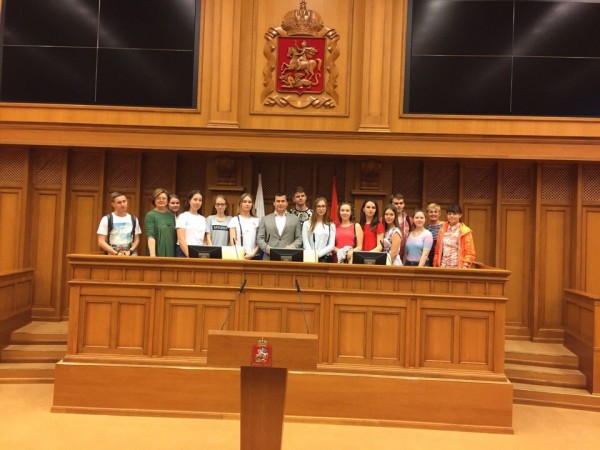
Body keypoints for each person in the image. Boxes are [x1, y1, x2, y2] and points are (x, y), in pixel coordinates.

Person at [256, 192, 302, 260]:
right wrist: (268, 249)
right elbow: (260, 238)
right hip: (269, 258)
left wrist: (292, 247)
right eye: (278, 201)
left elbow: (299, 238)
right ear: (274, 203)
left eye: (283, 201)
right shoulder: (265, 219)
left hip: (289, 258)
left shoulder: (295, 219)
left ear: (287, 203)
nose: (280, 203)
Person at [97, 191, 141, 256]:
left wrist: (130, 251)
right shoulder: (106, 219)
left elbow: (137, 239)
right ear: (113, 204)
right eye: (119, 202)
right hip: (113, 256)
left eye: (124, 201)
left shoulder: (134, 219)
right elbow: (100, 241)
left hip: (130, 256)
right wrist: (116, 253)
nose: (122, 204)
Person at [433, 204, 476, 269]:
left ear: (460, 215)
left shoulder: (465, 231)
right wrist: (435, 264)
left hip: (458, 267)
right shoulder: (442, 230)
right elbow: (437, 250)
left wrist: (465, 266)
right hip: (443, 266)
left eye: (454, 214)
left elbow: (469, 252)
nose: (451, 216)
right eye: (449, 214)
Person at [302, 197, 336, 263]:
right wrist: (312, 255)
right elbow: (305, 242)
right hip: (309, 257)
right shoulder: (306, 224)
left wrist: (317, 255)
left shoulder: (331, 225)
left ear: (326, 208)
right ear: (315, 208)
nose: (321, 209)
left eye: (323, 206)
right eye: (318, 206)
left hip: (325, 258)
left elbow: (331, 245)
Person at [228, 193, 261, 260]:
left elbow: (260, 241)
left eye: (249, 202)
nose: (247, 204)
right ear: (240, 204)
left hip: (254, 256)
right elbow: (232, 241)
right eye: (244, 201)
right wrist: (239, 254)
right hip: (238, 256)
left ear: (252, 204)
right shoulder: (234, 220)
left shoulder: (257, 220)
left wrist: (252, 254)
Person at [145, 188, 176, 257]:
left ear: (167, 200)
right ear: (154, 200)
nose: (161, 200)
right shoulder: (150, 215)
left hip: (170, 251)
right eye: (158, 198)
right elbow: (150, 236)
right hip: (156, 252)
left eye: (164, 198)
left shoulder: (171, 216)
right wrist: (152, 255)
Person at [176, 190, 207, 257]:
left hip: (199, 251)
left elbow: (204, 240)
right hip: (183, 251)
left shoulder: (203, 219)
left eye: (200, 200)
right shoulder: (183, 216)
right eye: (195, 199)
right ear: (189, 200)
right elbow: (181, 239)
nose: (198, 202)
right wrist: (189, 255)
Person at [389, 193, 414, 260]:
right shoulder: (385, 219)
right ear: (391, 204)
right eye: (396, 203)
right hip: (389, 254)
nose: (399, 205)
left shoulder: (410, 220)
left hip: (405, 255)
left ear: (404, 204)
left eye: (401, 203)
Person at [426, 203, 443, 267]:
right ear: (427, 214)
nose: (433, 214)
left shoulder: (445, 225)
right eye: (431, 212)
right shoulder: (426, 228)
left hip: (441, 256)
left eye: (436, 212)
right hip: (429, 257)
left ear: (439, 214)